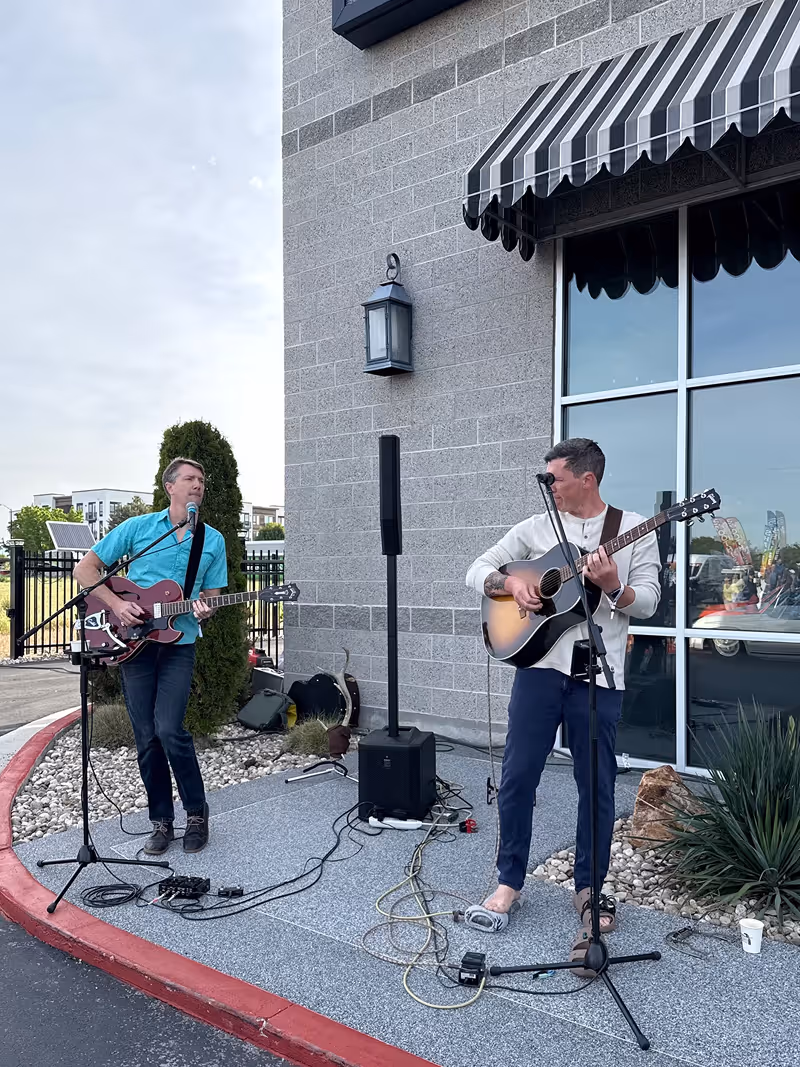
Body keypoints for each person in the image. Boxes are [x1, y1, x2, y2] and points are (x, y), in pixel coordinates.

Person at [465, 438, 660, 972]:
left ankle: (588, 888)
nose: (548, 485)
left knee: (595, 784)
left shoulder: (633, 528)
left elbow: (649, 601)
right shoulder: (536, 528)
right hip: (538, 673)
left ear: (586, 479)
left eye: (555, 478)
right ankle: (509, 882)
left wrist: (614, 587)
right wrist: (509, 582)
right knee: (517, 776)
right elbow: (476, 568)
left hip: (599, 676)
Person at [73, 458, 229, 855]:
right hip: (134, 645)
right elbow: (86, 569)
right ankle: (161, 821)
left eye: (202, 480)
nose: (198, 485)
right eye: (190, 479)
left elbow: (210, 595)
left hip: (179, 644)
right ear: (170, 487)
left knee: (169, 729)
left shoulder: (211, 540)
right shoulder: (139, 529)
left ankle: (196, 813)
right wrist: (115, 604)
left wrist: (206, 607)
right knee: (146, 737)